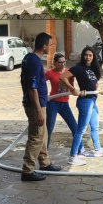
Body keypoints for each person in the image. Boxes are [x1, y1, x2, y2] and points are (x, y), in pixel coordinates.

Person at [60, 46, 103, 166]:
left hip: (93, 100)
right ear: (83, 56)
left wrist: (101, 91)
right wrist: (73, 89)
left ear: (93, 57)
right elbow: (63, 77)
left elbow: (96, 86)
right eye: (86, 55)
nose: (88, 57)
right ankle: (73, 156)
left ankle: (98, 150)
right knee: (81, 130)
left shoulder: (94, 69)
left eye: (90, 55)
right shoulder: (78, 68)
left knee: (95, 127)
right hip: (85, 101)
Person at [20, 32, 61, 181]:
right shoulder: (34, 62)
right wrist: (38, 110)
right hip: (35, 106)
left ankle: (44, 163)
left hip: (39, 103)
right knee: (36, 137)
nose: (51, 48)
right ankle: (27, 171)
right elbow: (32, 87)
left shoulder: (29, 59)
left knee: (42, 135)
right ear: (44, 46)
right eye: (50, 45)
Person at [45, 53, 90, 157]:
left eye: (64, 62)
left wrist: (79, 91)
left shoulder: (68, 73)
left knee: (75, 127)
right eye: (60, 62)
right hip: (53, 103)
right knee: (49, 128)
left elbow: (72, 88)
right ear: (55, 63)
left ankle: (80, 150)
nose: (63, 64)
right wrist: (44, 96)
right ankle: (44, 152)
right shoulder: (50, 73)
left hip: (65, 104)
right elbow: (41, 83)